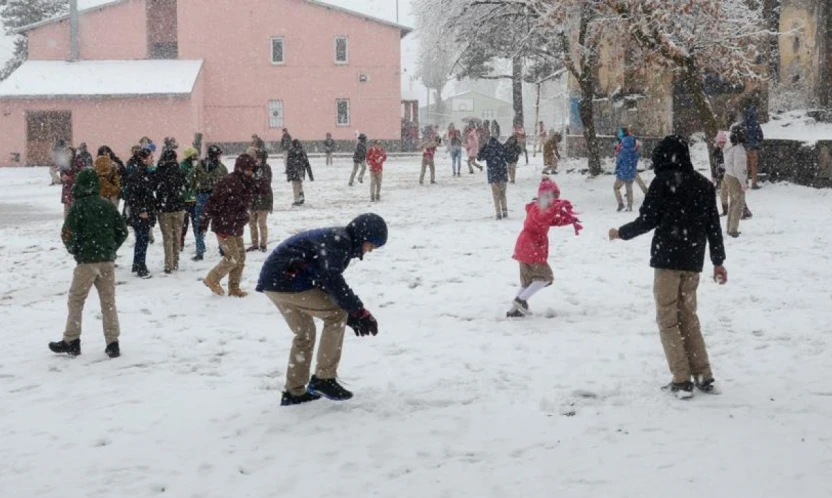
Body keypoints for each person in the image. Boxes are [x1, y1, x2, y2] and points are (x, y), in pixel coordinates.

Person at [608, 135, 727, 399]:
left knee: (667, 318)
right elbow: (713, 227)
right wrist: (718, 262)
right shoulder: (704, 185)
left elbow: (647, 220)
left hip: (667, 261)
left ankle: (682, 379)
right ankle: (704, 374)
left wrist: (621, 233)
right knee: (688, 317)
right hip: (693, 261)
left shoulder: (662, 183)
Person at [256, 213, 388, 406]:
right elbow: (331, 280)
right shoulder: (340, 243)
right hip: (287, 281)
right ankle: (324, 378)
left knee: (305, 333)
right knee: (336, 315)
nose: (370, 250)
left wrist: (351, 312)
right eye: (372, 245)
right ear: (363, 236)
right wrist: (357, 311)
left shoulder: (339, 240)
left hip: (274, 281)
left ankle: (294, 392)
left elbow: (323, 278)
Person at [48, 169, 129, 359]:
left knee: (76, 300)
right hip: (107, 262)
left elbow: (66, 233)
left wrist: (75, 250)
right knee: (108, 302)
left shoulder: (78, 207)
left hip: (86, 262)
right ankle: (112, 343)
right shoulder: (107, 205)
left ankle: (72, 340)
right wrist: (111, 248)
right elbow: (123, 231)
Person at [507, 177, 582, 317]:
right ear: (544, 196)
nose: (554, 200)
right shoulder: (538, 208)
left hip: (524, 246)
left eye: (555, 197)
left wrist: (568, 220)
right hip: (531, 246)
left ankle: (513, 310)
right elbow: (543, 217)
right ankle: (520, 300)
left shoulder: (541, 208)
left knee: (527, 282)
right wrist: (556, 207)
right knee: (545, 277)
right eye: (552, 196)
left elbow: (551, 220)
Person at [200, 155, 257, 297]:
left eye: (252, 170)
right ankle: (212, 279)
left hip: (236, 226)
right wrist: (204, 221)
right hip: (224, 226)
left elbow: (244, 203)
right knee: (232, 257)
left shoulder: (248, 182)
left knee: (241, 257)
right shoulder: (228, 182)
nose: (251, 172)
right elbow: (212, 202)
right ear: (241, 169)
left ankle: (234, 288)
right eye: (248, 170)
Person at [190, 144, 228, 261]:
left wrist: (196, 190)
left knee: (200, 225)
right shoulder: (221, 167)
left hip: (202, 196)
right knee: (220, 224)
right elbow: (226, 183)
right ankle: (223, 249)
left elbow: (191, 179)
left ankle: (200, 251)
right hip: (217, 198)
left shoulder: (199, 166)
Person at [124, 148, 157, 279]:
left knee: (141, 239)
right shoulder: (138, 175)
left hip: (143, 211)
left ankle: (137, 263)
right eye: (150, 157)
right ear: (143, 159)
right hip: (141, 213)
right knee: (142, 239)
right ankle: (141, 267)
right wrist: (141, 210)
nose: (152, 159)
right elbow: (133, 197)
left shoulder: (144, 173)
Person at [154, 149, 187, 273]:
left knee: (167, 237)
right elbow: (186, 185)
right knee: (177, 236)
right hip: (178, 208)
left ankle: (169, 264)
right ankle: (176, 261)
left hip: (164, 208)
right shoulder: (180, 171)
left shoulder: (159, 171)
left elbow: (154, 186)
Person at [723, 126, 748, 238]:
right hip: (735, 178)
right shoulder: (739, 150)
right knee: (738, 203)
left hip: (728, 176)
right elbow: (739, 168)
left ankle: (729, 227)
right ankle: (733, 229)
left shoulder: (731, 148)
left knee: (733, 203)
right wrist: (743, 183)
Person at [248, 148, 274, 252]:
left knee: (262, 223)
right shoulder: (252, 168)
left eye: (258, 157)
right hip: (253, 199)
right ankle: (254, 244)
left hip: (264, 199)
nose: (256, 159)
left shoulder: (266, 168)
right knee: (252, 223)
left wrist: (255, 181)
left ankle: (263, 245)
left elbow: (265, 183)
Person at [478, 136, 509, 220]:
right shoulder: (501, 148)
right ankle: (505, 211)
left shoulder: (488, 149)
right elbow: (508, 157)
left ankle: (498, 213)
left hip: (493, 175)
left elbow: (479, 158)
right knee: (503, 195)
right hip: (503, 174)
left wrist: (483, 147)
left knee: (496, 195)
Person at [614, 127, 641, 212]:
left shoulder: (622, 149)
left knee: (616, 188)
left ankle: (620, 204)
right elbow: (637, 158)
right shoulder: (634, 149)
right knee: (629, 189)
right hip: (631, 171)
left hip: (622, 172)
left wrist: (617, 169)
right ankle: (629, 206)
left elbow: (618, 161)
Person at [179, 146, 200, 250]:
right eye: (194, 155)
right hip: (185, 199)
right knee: (184, 223)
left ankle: (198, 243)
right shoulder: (182, 167)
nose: (196, 157)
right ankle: (180, 242)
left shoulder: (197, 165)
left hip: (195, 198)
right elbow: (186, 181)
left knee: (197, 223)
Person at [286, 139, 314, 206]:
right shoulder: (302, 152)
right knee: (299, 185)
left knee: (295, 186)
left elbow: (289, 164)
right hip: (301, 171)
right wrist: (310, 176)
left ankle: (297, 200)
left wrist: (288, 175)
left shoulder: (291, 152)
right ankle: (301, 197)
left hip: (294, 172)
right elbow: (307, 164)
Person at [60, 147, 85, 219]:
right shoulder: (65, 162)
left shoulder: (78, 161)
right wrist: (63, 176)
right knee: (67, 209)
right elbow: (62, 172)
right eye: (67, 153)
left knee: (76, 209)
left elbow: (82, 173)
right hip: (67, 189)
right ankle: (67, 227)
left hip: (76, 189)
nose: (68, 155)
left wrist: (72, 177)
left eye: (70, 153)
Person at [744, 104, 764, 189]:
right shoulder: (755, 123)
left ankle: (745, 183)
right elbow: (760, 135)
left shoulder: (744, 123)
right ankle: (754, 183)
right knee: (753, 166)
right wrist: (757, 141)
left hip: (745, 147)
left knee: (745, 165)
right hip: (754, 147)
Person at [712, 132, 730, 216]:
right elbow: (714, 165)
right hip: (721, 176)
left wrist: (725, 166)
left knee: (734, 194)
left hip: (729, 175)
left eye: (723, 142)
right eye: (719, 142)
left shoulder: (728, 151)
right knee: (723, 194)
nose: (721, 144)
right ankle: (725, 210)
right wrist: (714, 176)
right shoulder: (716, 153)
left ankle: (744, 209)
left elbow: (730, 163)